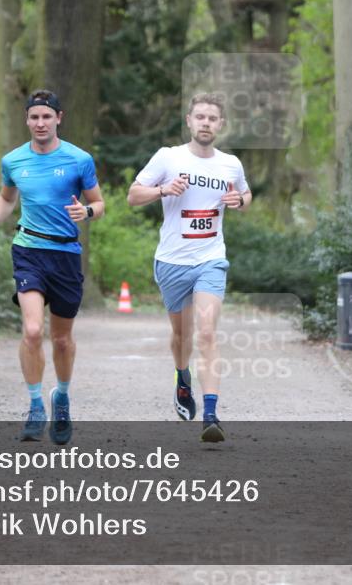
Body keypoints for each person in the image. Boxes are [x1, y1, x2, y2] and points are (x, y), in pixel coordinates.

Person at [0, 89, 104, 444]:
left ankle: (60, 397)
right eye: (34, 117)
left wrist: (87, 212)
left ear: (59, 118)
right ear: (26, 120)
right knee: (33, 331)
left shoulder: (79, 159)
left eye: (47, 116)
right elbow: (6, 198)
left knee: (61, 339)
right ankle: (35, 405)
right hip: (28, 249)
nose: (40, 123)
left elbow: (99, 203)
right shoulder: (13, 161)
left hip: (65, 255)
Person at [127, 92, 251, 442]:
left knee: (207, 332)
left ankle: (211, 414)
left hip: (210, 259)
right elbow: (133, 195)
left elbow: (246, 193)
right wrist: (163, 190)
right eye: (200, 117)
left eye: (212, 118)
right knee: (181, 337)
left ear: (221, 124)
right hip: (171, 261)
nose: (206, 123)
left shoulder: (230, 164)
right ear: (189, 121)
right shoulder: (168, 158)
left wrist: (239, 200)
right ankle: (182, 376)